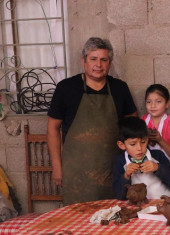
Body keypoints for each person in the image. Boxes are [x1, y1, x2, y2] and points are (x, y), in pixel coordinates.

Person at [47, 37, 137, 205]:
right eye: (93, 59)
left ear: (109, 63)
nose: (98, 65)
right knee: (77, 221)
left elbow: (132, 125)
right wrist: (57, 167)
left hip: (112, 171)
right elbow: (52, 128)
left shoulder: (120, 88)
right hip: (76, 174)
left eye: (104, 60)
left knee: (114, 217)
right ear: (84, 61)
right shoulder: (66, 88)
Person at [112, 117, 170, 200]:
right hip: (137, 206)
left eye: (143, 142)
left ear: (147, 139)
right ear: (122, 145)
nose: (139, 148)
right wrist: (126, 176)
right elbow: (120, 196)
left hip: (163, 202)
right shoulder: (120, 162)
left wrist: (158, 168)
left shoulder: (158, 155)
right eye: (133, 144)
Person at [141, 84, 170, 165]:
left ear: (167, 103)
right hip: (144, 167)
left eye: (158, 101)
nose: (153, 106)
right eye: (149, 102)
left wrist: (160, 140)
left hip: (167, 169)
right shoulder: (141, 122)